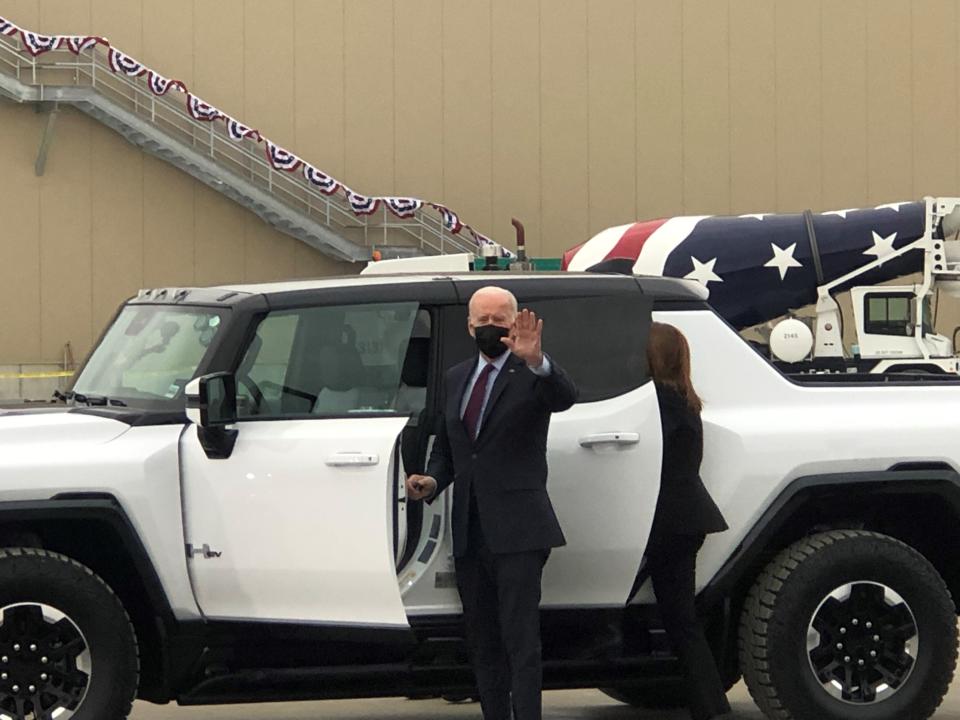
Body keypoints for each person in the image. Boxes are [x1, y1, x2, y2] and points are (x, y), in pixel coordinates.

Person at [406, 286, 577, 720]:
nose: (490, 327)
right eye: (482, 321)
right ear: (469, 326)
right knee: (482, 641)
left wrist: (536, 360)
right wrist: (432, 479)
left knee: (520, 640)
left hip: (519, 529)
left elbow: (565, 397)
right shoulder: (456, 377)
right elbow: (451, 449)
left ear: (515, 322)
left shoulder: (530, 374)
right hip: (470, 528)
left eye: (499, 319)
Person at [628, 321, 731, 720]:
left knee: (681, 621)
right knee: (680, 618)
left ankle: (710, 707)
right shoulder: (685, 399)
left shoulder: (657, 403)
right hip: (686, 518)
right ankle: (709, 704)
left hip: (668, 520)